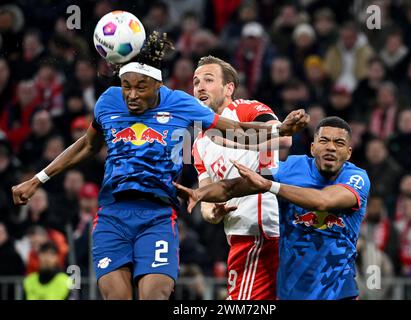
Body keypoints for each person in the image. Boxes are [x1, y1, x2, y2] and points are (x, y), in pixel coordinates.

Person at [11, 31, 309, 300]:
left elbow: (234, 130)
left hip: (158, 216)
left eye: (141, 87)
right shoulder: (108, 102)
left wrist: (280, 130)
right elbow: (87, 146)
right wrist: (37, 179)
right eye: (126, 86)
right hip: (112, 214)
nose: (131, 95)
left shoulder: (181, 104)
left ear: (158, 85)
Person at [174, 116, 371, 300]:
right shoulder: (291, 168)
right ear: (312, 148)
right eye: (324, 141)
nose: (331, 148)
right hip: (291, 292)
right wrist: (200, 194)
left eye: (339, 143)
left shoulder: (357, 178)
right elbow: (232, 187)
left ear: (348, 152)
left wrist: (270, 186)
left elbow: (323, 201)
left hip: (339, 292)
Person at [192, 55, 292, 299]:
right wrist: (211, 213)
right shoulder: (198, 143)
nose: (200, 87)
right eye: (196, 82)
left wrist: (230, 138)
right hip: (238, 236)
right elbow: (206, 197)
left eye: (208, 79)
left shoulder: (246, 109)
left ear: (229, 88)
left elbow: (284, 138)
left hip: (262, 232)